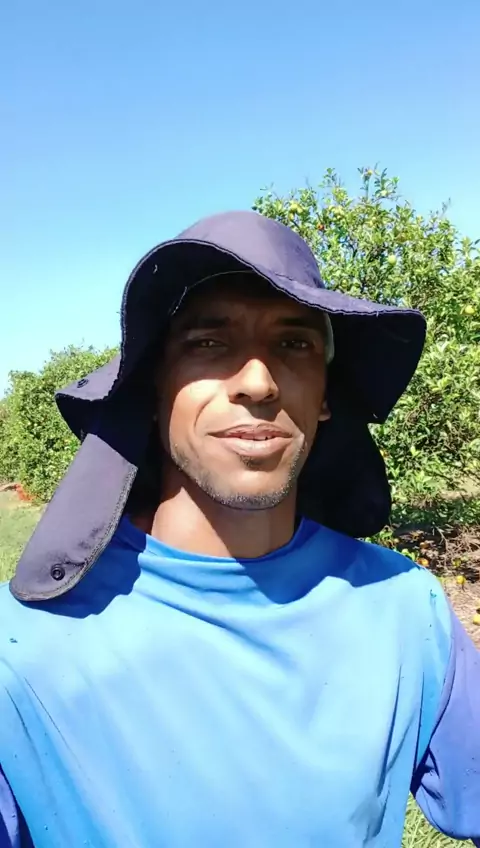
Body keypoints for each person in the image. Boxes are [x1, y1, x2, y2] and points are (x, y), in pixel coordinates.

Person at [0, 211, 478, 848]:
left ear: (325, 394)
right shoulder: (23, 653)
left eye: (295, 344)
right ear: (154, 388)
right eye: (208, 343)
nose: (258, 382)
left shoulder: (404, 610)